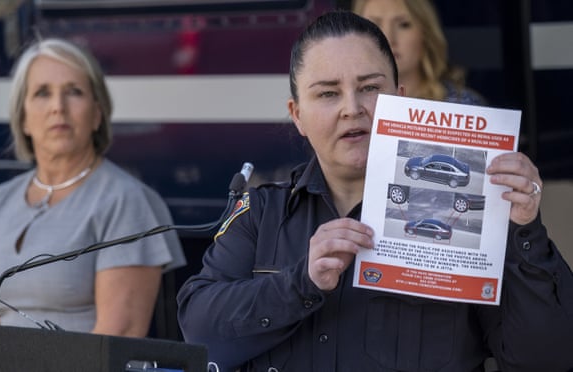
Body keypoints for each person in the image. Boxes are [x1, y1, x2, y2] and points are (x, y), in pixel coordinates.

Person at [177, 11, 573, 371]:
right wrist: (301, 283)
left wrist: (524, 231)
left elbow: (546, 357)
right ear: (298, 115)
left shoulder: (465, 214)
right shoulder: (262, 213)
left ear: (400, 99)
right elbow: (200, 331)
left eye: (369, 88)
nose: (352, 108)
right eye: (328, 93)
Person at [0, 38, 185, 337]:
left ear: (97, 113)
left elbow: (115, 341)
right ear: (23, 118)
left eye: (74, 92)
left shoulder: (126, 201)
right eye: (42, 93)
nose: (58, 107)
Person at [354, 0, 486, 105]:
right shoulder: (350, 108)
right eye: (374, 25)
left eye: (404, 25)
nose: (388, 38)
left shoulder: (462, 106)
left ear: (426, 34)